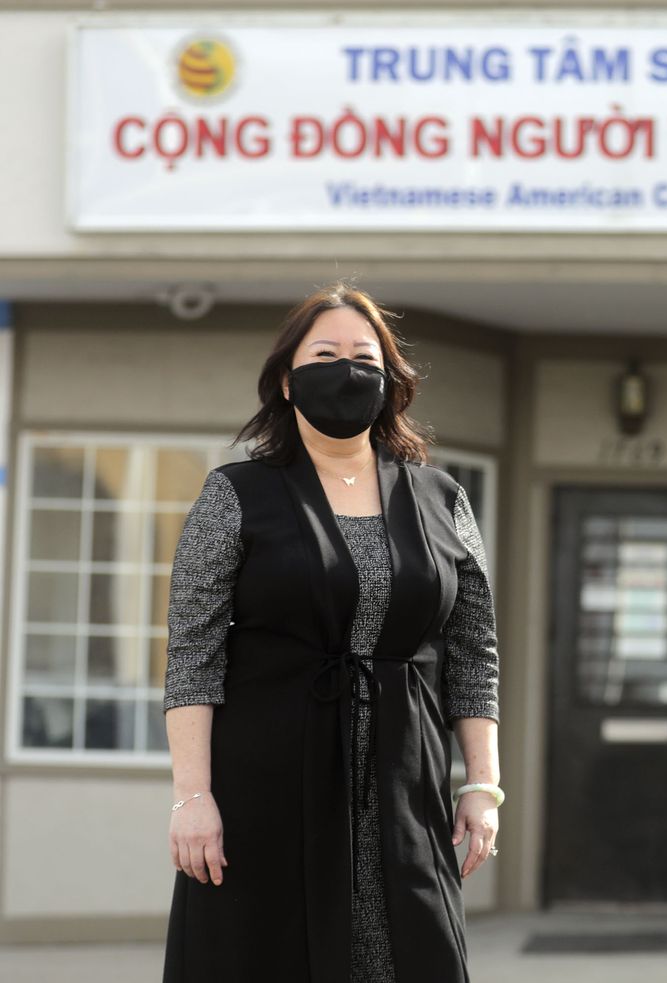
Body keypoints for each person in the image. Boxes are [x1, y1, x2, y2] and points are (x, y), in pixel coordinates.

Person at [161, 283, 502, 983]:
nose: (345, 369)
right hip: (267, 789)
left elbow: (474, 651)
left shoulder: (442, 499)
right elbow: (194, 653)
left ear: (389, 382)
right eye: (325, 353)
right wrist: (193, 797)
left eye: (363, 356)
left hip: (405, 788)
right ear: (288, 380)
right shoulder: (235, 494)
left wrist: (484, 784)